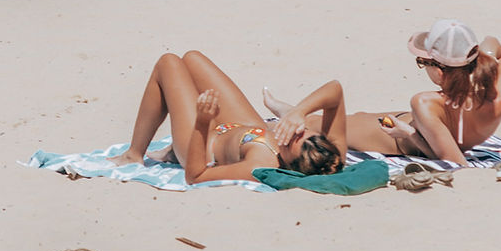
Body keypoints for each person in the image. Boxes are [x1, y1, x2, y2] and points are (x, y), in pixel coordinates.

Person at [265, 20, 501, 165]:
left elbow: (455, 163)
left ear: (440, 71)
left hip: (400, 142)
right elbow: (494, 44)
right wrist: (483, 57)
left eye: (423, 63)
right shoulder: (498, 97)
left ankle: (290, 114)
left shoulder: (425, 103)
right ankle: (291, 111)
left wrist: (410, 134)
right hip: (418, 124)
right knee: (357, 116)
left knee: (333, 126)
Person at [113, 49, 347, 183]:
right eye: (304, 132)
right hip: (245, 127)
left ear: (289, 166)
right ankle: (169, 151)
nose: (295, 131)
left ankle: (135, 153)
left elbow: (196, 175)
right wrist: (299, 111)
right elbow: (335, 89)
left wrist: (202, 123)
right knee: (193, 58)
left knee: (169, 63)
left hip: (203, 145)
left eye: (292, 140)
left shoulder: (260, 165)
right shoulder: (331, 156)